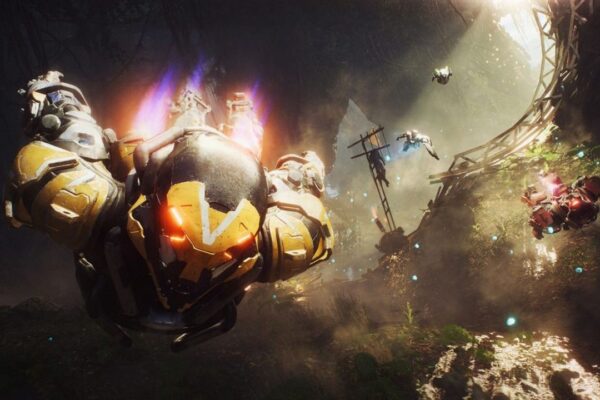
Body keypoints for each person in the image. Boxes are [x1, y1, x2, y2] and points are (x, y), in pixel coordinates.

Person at [4, 71, 334, 351]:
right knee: (76, 180)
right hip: (147, 226)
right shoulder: (103, 201)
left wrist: (300, 177)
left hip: (195, 201)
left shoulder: (274, 238)